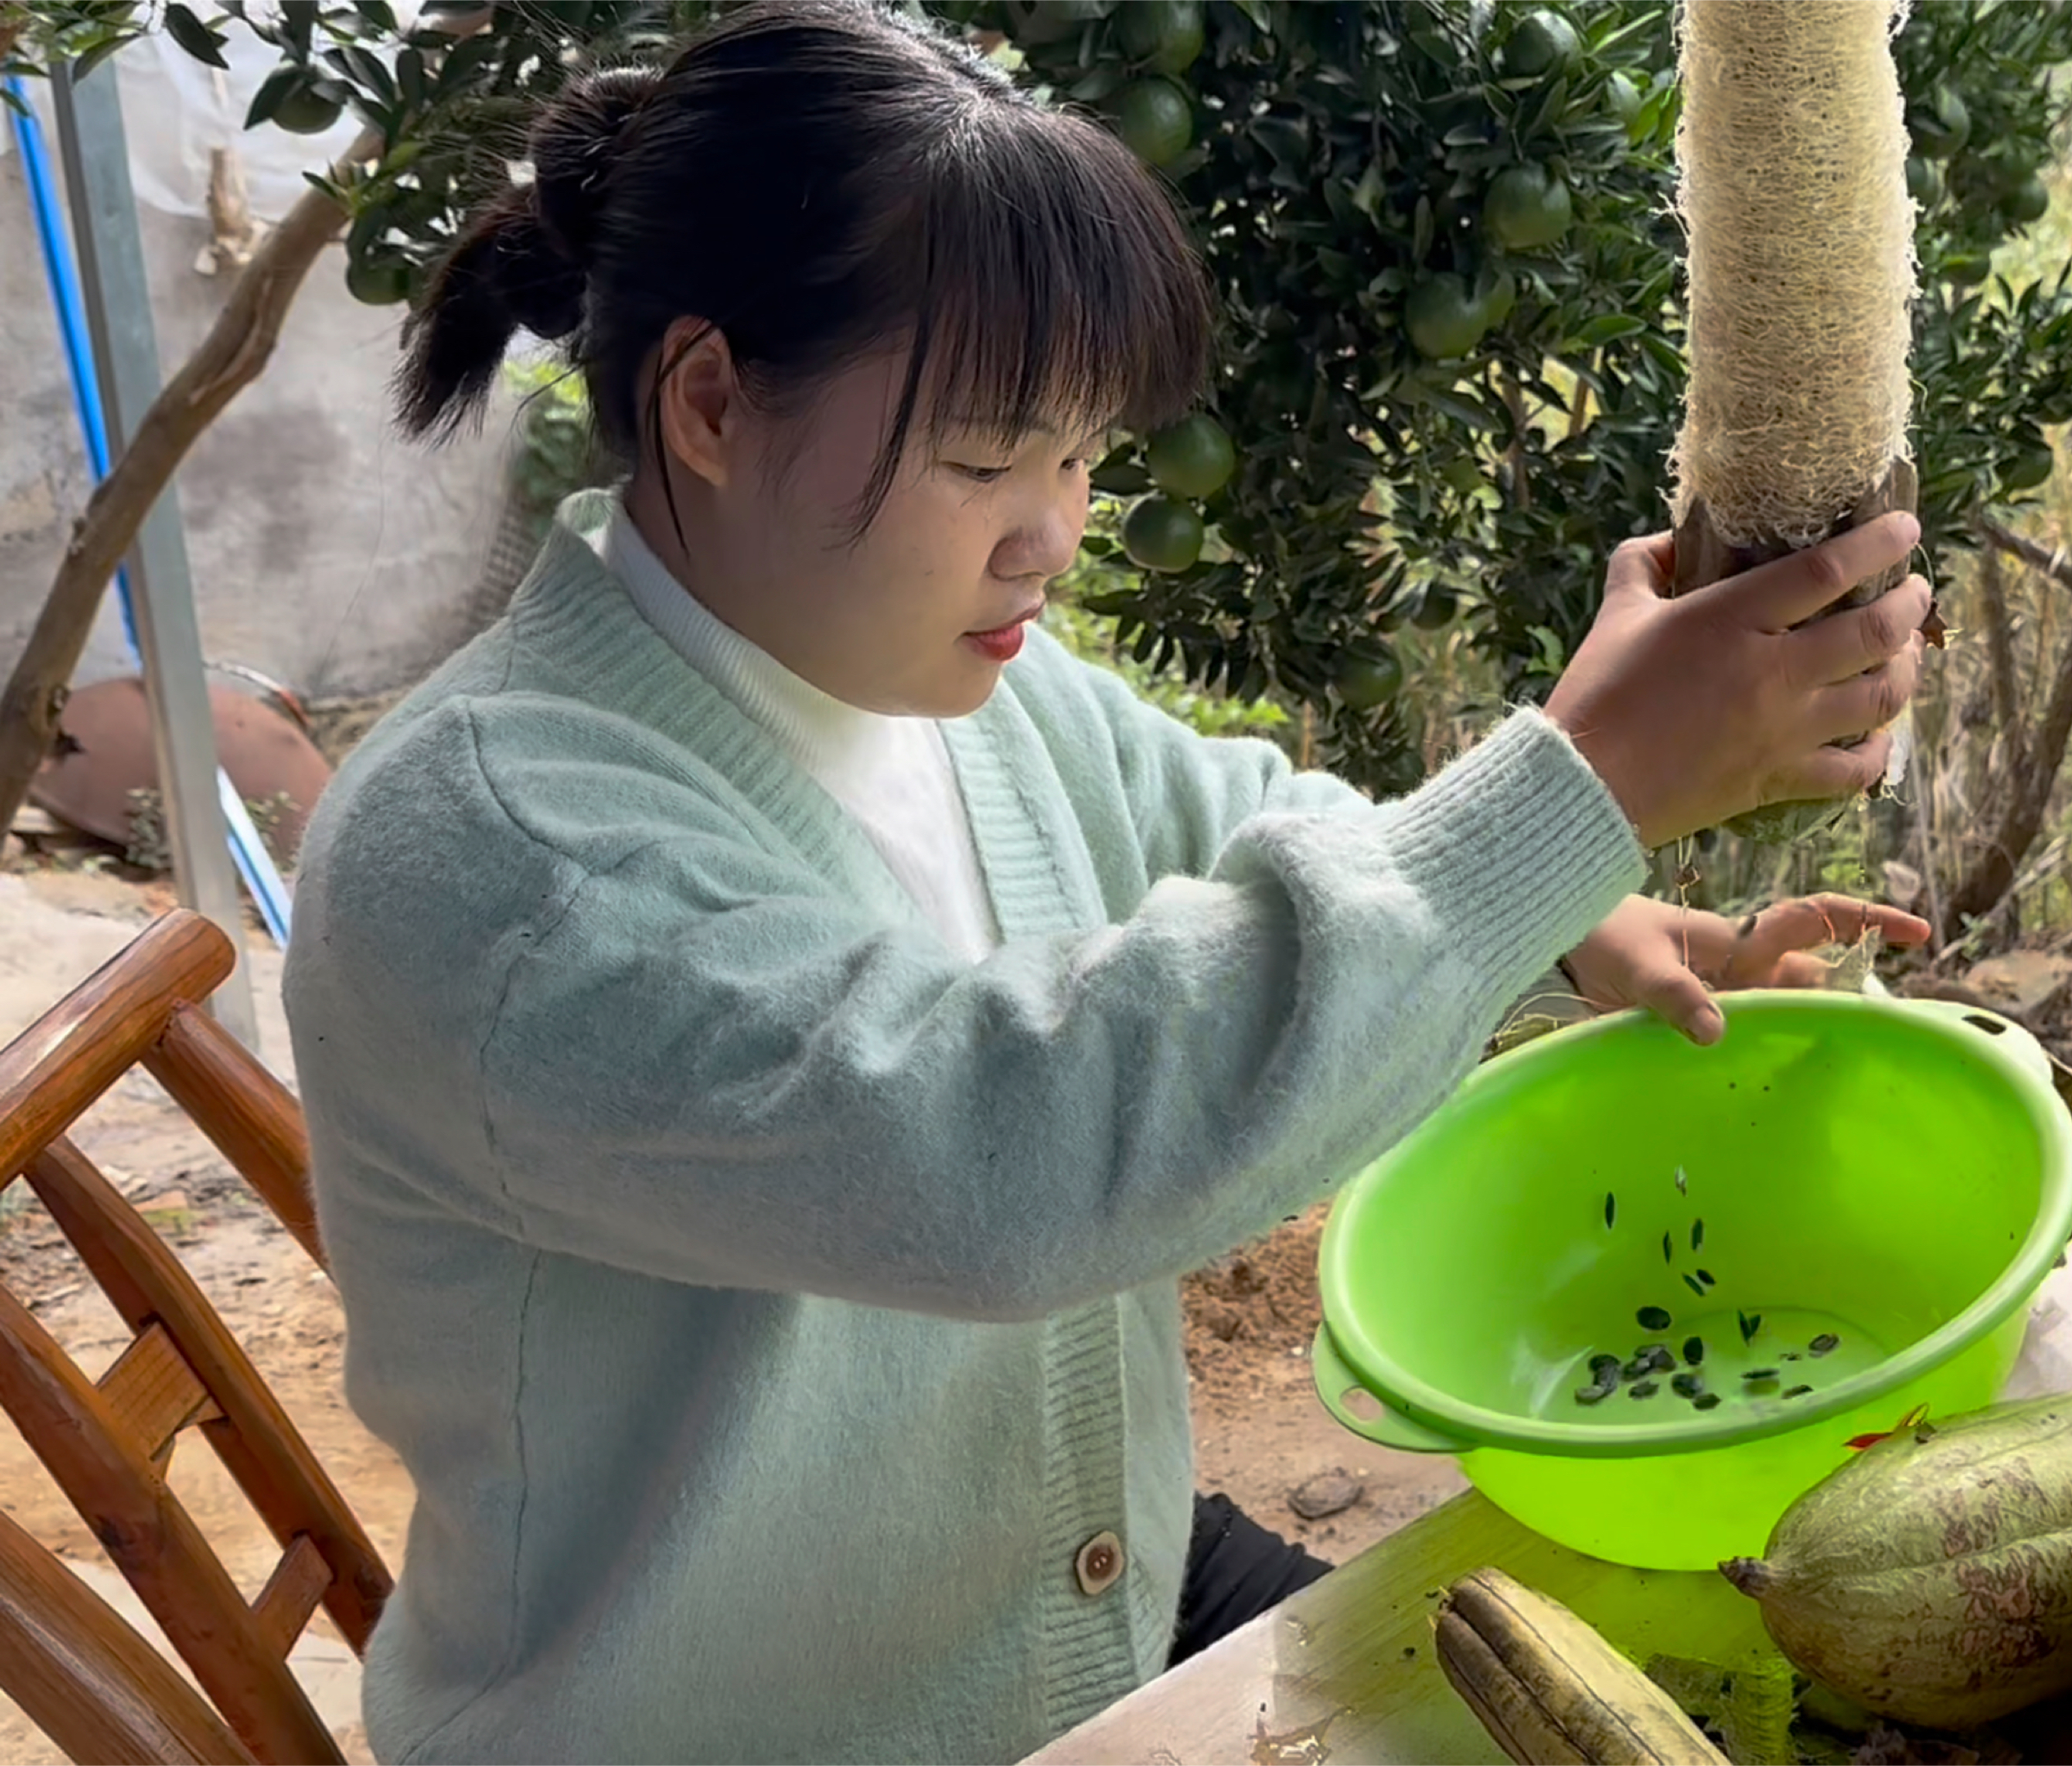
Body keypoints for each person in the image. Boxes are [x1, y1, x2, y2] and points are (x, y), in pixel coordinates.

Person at [282, 3, 1932, 1761]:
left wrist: (1575, 916)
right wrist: (1583, 785)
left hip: (1088, 1594)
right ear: (706, 399)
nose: (1051, 533)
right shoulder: (493, 866)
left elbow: (1225, 807)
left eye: (1080, 457)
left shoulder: (925, 662)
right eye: (987, 457)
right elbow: (1007, 1154)